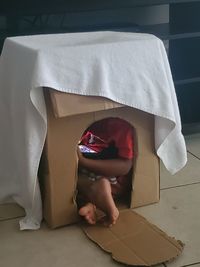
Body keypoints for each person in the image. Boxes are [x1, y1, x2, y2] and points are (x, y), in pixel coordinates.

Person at [77, 117, 134, 227]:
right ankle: (93, 202)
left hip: (114, 177)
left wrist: (84, 162)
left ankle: (95, 192)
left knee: (75, 182)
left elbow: (125, 166)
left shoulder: (119, 125)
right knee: (76, 181)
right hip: (92, 172)